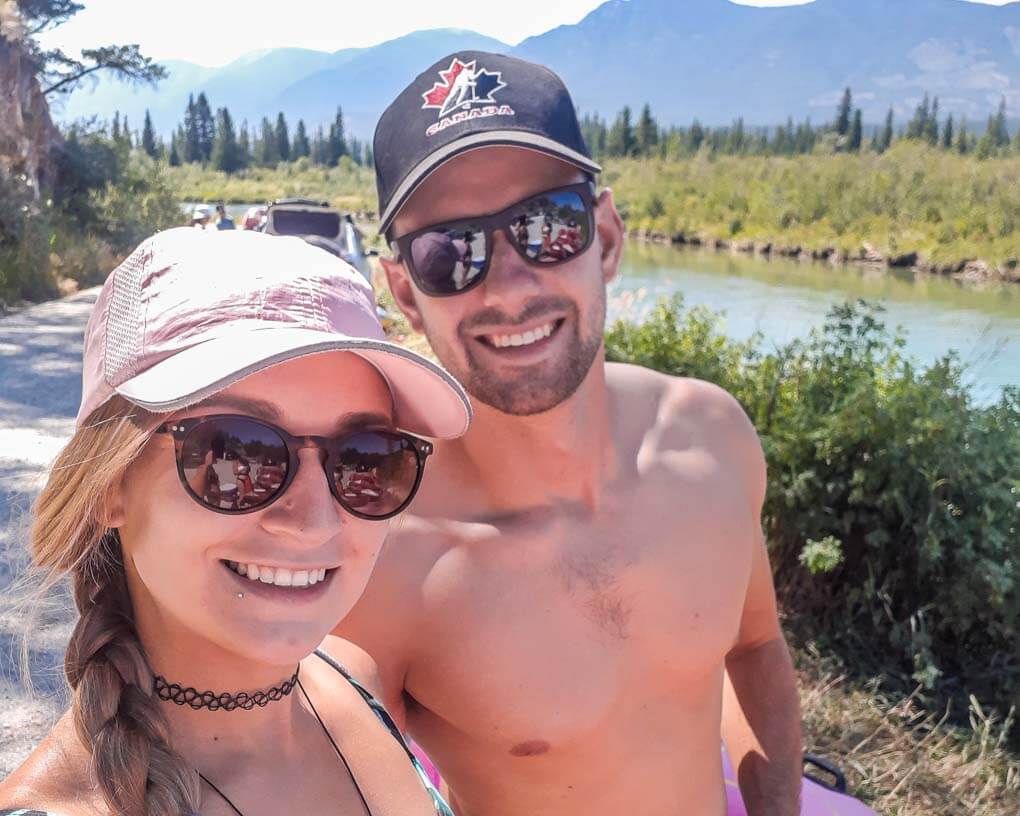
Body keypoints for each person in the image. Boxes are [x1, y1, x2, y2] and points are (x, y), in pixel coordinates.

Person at [338, 51, 803, 816]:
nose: (511, 286)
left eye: (547, 226)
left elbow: (754, 647)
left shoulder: (712, 438)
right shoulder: (390, 552)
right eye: (449, 253)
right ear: (406, 295)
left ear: (608, 238)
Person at [0, 228, 471, 816]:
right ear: (109, 484)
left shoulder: (353, 676)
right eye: (236, 452)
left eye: (366, 457)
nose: (314, 522)